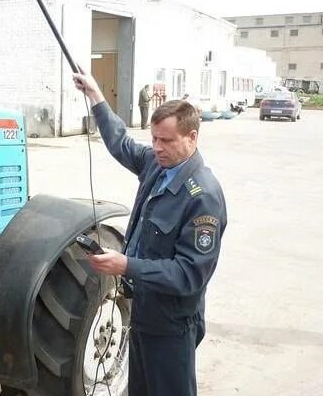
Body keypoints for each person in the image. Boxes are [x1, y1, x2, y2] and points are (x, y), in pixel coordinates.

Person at [73, 70, 227, 396]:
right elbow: (120, 142)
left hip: (172, 324)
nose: (157, 147)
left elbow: (189, 275)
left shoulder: (203, 197)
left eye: (167, 140)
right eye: (154, 138)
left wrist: (127, 266)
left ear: (192, 137)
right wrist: (97, 96)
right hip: (143, 309)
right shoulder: (159, 166)